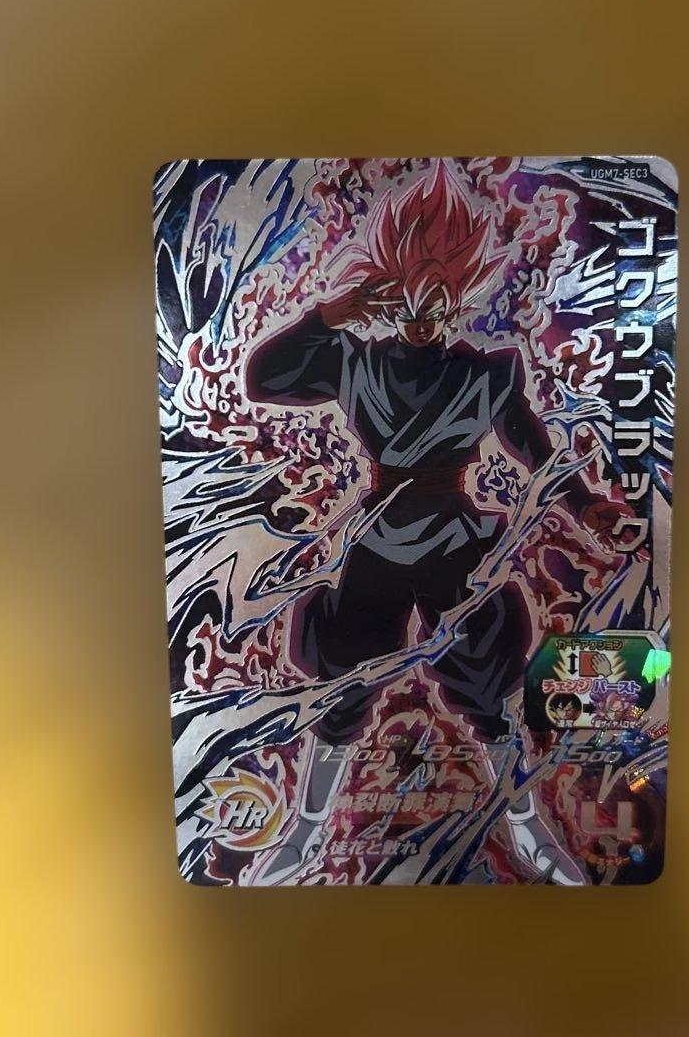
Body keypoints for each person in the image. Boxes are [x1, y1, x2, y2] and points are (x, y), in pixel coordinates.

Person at [246, 163, 629, 746]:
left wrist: (585, 505)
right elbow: (263, 380)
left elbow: (534, 449)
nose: (423, 321)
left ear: (459, 298)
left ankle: (514, 793)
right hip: (379, 534)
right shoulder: (356, 361)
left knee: (486, 683)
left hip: (453, 537)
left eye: (436, 305)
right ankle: (315, 796)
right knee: (345, 684)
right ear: (388, 296)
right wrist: (323, 318)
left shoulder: (485, 374)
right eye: (410, 304)